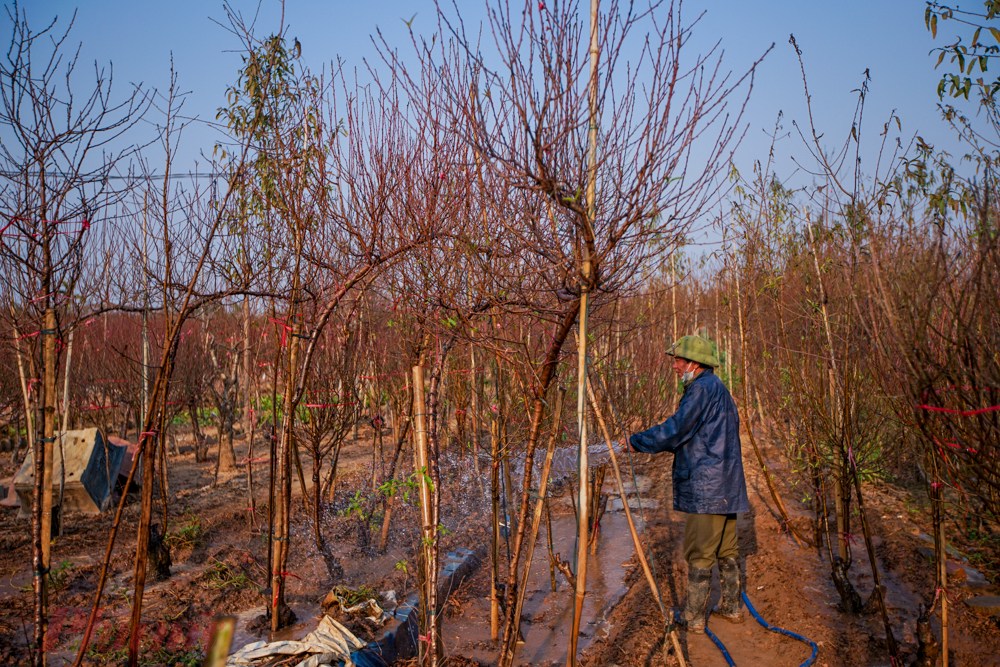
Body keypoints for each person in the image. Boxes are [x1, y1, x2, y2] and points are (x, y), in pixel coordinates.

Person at [624, 335, 749, 634]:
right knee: (726, 548)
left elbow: (676, 429)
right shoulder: (718, 389)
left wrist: (635, 442)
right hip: (726, 484)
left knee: (700, 551)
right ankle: (731, 608)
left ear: (694, 363)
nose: (676, 367)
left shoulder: (702, 389)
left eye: (678, 361)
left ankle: (693, 617)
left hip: (709, 485)